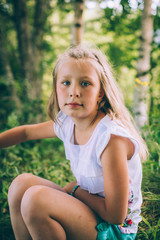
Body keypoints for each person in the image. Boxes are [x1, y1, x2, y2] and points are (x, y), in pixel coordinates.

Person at [0, 45, 148, 240]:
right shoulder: (68, 123)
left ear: (100, 93)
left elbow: (115, 215)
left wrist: (77, 191)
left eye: (85, 83)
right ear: (56, 88)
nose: (74, 91)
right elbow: (26, 132)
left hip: (114, 231)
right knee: (21, 184)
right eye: (66, 82)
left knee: (36, 199)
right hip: (90, 212)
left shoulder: (110, 139)